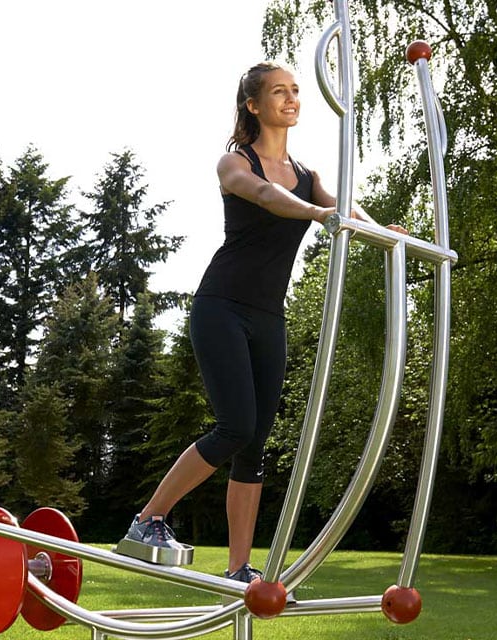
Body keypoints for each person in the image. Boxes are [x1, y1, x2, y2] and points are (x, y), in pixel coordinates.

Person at [116, 61, 406, 585]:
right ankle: (147, 520)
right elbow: (270, 198)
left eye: (296, 91)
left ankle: (238, 568)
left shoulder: (308, 176)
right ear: (254, 104)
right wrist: (319, 217)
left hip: (270, 317)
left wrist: (383, 233)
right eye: (280, 92)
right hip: (221, 305)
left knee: (255, 444)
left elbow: (346, 208)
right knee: (235, 426)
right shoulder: (235, 163)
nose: (292, 99)